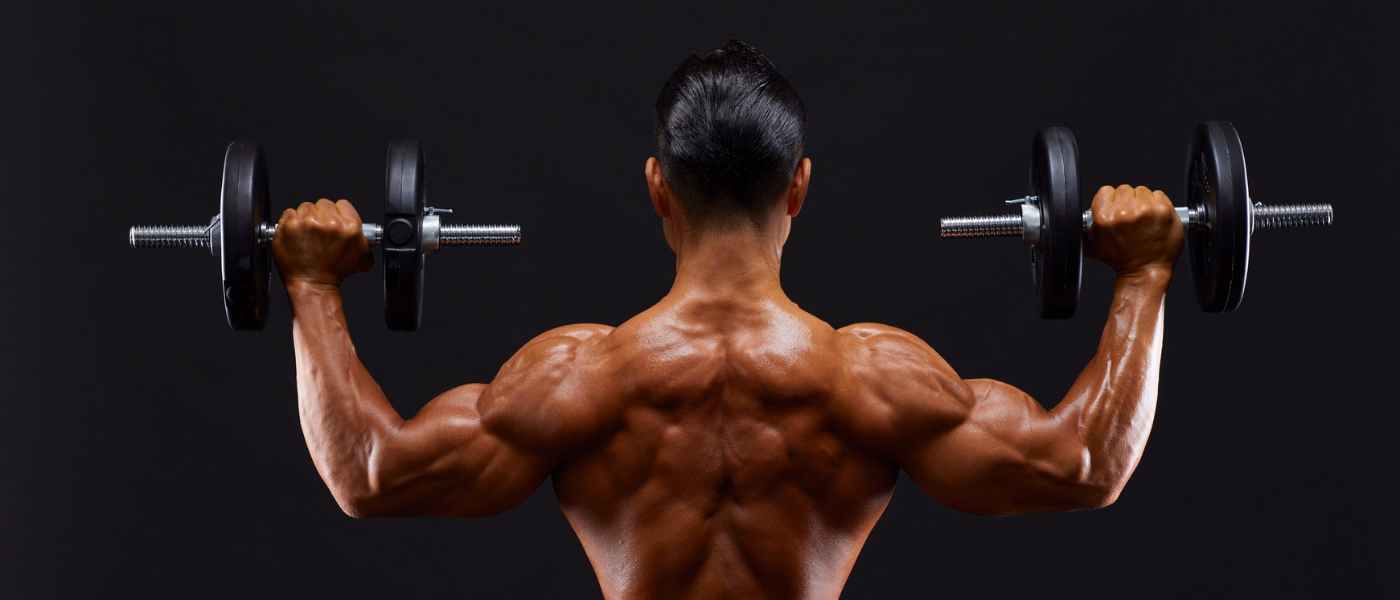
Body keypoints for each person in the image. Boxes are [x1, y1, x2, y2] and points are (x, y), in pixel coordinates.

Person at [271, 40, 1184, 599]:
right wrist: (1144, 268)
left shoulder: (577, 377)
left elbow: (371, 474)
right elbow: (1085, 464)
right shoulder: (870, 377)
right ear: (801, 186)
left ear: (656, 187)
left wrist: (312, 284)